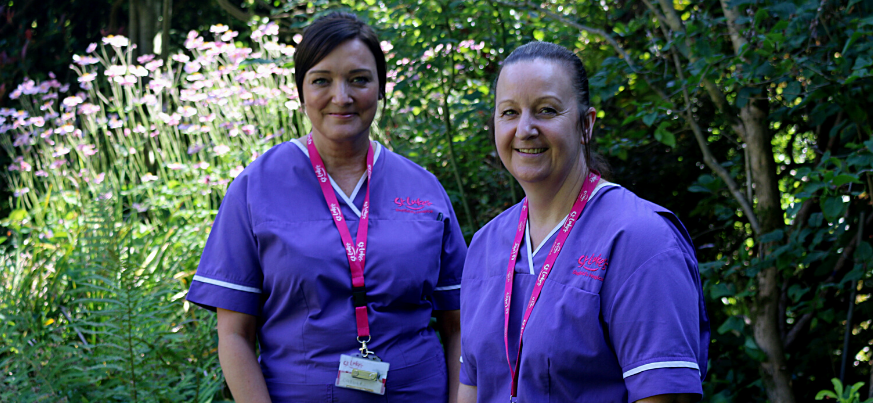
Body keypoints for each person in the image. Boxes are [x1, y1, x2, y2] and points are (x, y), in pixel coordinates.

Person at [187, 12, 466, 403]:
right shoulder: (256, 188)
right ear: (301, 91)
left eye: (359, 79)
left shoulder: (423, 188)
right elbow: (234, 336)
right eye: (322, 80)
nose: (342, 96)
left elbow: (458, 327)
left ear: (380, 87)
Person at [458, 41, 710, 403]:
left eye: (546, 110)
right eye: (509, 112)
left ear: (585, 125)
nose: (525, 129)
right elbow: (471, 386)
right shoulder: (484, 245)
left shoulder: (641, 240)